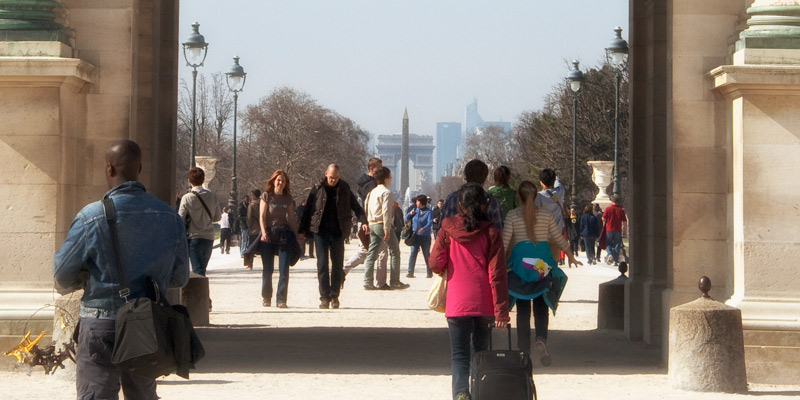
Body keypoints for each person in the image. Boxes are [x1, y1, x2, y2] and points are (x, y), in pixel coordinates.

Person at [53, 140, 189, 400]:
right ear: (139, 168)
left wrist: (88, 276)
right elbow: (180, 277)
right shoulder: (170, 217)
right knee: (142, 395)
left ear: (109, 169)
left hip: (99, 320)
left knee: (96, 395)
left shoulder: (90, 217)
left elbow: (62, 275)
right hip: (147, 323)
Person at [430, 183, 509, 400]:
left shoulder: (447, 229)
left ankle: (461, 394)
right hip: (484, 302)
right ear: (484, 205)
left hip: (457, 302)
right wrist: (501, 310)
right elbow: (498, 274)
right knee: (480, 354)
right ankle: (479, 392)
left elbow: (435, 263)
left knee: (459, 355)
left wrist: (447, 264)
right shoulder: (491, 231)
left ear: (460, 206)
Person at [503, 181, 580, 367]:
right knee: (541, 304)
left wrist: (497, 263)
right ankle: (540, 339)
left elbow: (504, 242)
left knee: (522, 308)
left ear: (518, 197)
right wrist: (570, 256)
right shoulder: (545, 215)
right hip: (542, 263)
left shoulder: (512, 215)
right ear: (536, 196)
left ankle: (523, 349)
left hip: (521, 264)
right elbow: (559, 238)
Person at [299, 164, 369, 309]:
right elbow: (308, 210)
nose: (333, 180)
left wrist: (363, 220)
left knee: (337, 265)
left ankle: (334, 295)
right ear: (326, 174)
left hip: (338, 231)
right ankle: (324, 296)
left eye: (336, 177)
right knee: (322, 264)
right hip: (321, 232)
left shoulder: (344, 188)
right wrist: (302, 230)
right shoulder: (317, 188)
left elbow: (356, 206)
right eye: (331, 177)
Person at [342, 158, 388, 288]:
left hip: (364, 221)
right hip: (369, 221)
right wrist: (367, 222)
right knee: (380, 251)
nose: (382, 170)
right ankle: (379, 282)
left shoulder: (363, 183)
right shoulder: (372, 185)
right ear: (372, 169)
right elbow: (370, 205)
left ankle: (345, 270)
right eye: (380, 168)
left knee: (367, 250)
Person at [258, 170, 299, 308]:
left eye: (283, 181)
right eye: (278, 180)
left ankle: (281, 299)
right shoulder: (266, 196)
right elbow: (262, 217)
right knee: (268, 269)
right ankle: (266, 297)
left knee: (284, 269)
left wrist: (297, 234)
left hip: (283, 234)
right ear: (273, 181)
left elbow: (291, 219)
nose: (280, 183)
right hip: (268, 234)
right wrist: (263, 233)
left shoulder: (288, 199)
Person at [363, 167, 407, 291]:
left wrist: (367, 222)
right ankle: (394, 281)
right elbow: (386, 213)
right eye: (390, 176)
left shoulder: (371, 192)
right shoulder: (387, 193)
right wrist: (387, 230)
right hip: (382, 224)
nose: (391, 178)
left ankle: (367, 282)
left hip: (372, 224)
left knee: (371, 254)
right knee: (395, 252)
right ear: (387, 178)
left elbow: (366, 208)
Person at [178, 167, 221, 276]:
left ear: (189, 180)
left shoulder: (187, 198)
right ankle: (201, 291)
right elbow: (217, 217)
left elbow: (180, 219)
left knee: (197, 270)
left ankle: (199, 292)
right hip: (209, 236)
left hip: (194, 237)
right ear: (203, 179)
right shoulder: (212, 196)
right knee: (202, 268)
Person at [441, 159, 503, 229]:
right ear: (485, 178)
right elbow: (498, 230)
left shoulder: (452, 198)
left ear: (465, 175)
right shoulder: (492, 202)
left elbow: (443, 228)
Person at [535, 168, 566, 264]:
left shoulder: (539, 196)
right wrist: (555, 175)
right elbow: (558, 182)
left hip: (542, 234)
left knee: (541, 262)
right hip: (556, 233)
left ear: (541, 182)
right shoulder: (560, 192)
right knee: (554, 262)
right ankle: (552, 277)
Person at [405, 195, 433, 278]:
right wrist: (409, 214)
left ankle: (429, 272)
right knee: (413, 253)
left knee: (426, 254)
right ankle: (410, 272)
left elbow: (430, 222)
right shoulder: (415, 210)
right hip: (415, 236)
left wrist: (424, 229)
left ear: (422, 203)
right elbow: (406, 219)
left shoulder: (428, 212)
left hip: (425, 237)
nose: (416, 203)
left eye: (418, 201)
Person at [602, 194, 628, 265]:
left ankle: (610, 253)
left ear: (612, 201)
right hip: (617, 229)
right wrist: (625, 230)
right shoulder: (620, 210)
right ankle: (616, 260)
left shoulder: (608, 209)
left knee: (608, 243)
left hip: (609, 228)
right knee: (617, 244)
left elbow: (603, 218)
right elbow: (624, 221)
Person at [243, 189, 262, 270]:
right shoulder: (263, 203)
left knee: (251, 248)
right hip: (263, 229)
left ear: (254, 195)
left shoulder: (252, 205)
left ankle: (250, 264)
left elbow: (249, 218)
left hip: (254, 229)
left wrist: (249, 226)